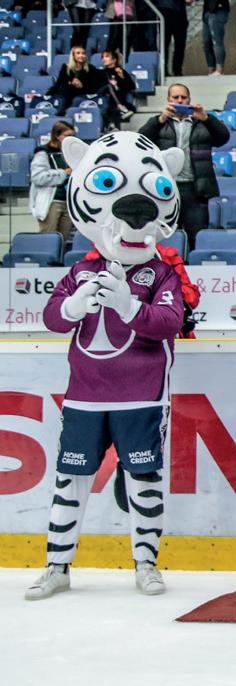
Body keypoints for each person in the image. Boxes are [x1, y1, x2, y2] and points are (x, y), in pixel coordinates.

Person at [24, 131, 185, 600]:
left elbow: (169, 322)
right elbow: (53, 318)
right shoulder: (81, 270)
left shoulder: (162, 273)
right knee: (70, 480)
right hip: (85, 396)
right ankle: (57, 566)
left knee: (144, 479)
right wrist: (74, 305)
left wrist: (128, 305)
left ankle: (146, 563)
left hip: (142, 396)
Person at [139, 82, 229, 250]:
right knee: (167, 236)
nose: (180, 100)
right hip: (166, 189)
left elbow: (223, 138)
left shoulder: (201, 122)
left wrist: (206, 118)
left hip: (195, 189)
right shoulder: (160, 122)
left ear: (189, 99)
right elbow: (141, 140)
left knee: (197, 235)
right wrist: (160, 119)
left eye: (183, 97)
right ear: (168, 100)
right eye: (175, 97)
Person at [29, 120, 75, 241]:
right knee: (48, 239)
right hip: (52, 202)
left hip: (68, 202)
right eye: (67, 136)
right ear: (57, 135)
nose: (71, 139)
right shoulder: (43, 153)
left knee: (64, 239)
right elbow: (38, 177)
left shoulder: (70, 153)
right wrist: (63, 173)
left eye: (73, 136)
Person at [154, 0, 193, 77]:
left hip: (180, 12)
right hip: (165, 10)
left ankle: (177, 69)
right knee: (164, 43)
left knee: (180, 43)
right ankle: (164, 70)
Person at [100, 49, 136, 128]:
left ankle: (119, 111)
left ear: (114, 60)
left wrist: (122, 77)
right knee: (109, 86)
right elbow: (99, 88)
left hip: (121, 98)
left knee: (113, 110)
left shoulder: (121, 71)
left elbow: (131, 87)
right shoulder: (101, 73)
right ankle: (121, 109)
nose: (103, 59)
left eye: (107, 56)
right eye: (102, 57)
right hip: (106, 99)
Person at [203, 0, 229, 76]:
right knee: (207, 42)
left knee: (217, 40)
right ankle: (211, 70)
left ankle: (219, 69)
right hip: (207, 11)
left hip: (218, 10)